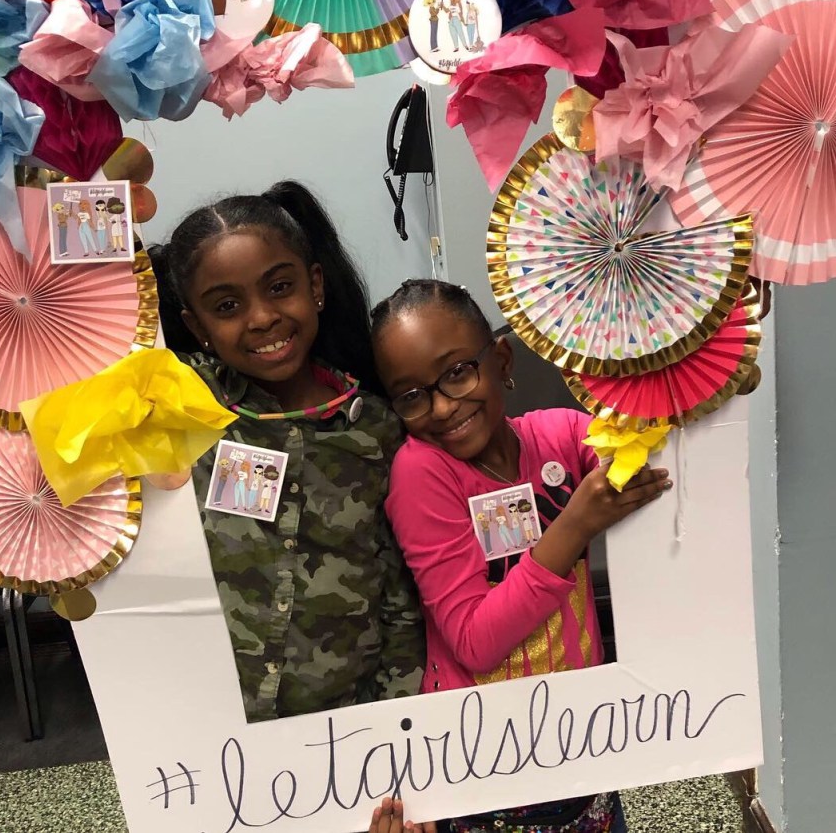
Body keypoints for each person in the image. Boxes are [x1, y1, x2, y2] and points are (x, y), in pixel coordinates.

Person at [371, 279, 672, 833]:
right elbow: (474, 640)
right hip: (485, 768)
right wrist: (574, 525)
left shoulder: (559, 435)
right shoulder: (421, 472)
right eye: (412, 396)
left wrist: (688, 348)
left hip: (582, 745)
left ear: (502, 359)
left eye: (458, 372)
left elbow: (645, 447)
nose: (443, 406)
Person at [151, 182, 425, 726]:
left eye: (279, 288)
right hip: (211, 723)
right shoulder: (178, 404)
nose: (261, 318)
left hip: (350, 721)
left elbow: (400, 593)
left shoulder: (375, 429)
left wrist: (395, 722)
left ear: (315, 286)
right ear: (197, 326)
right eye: (227, 306)